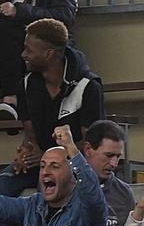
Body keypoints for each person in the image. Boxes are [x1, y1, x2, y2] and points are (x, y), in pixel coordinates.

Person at [9, 18, 104, 156]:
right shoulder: (25, 85)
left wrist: (51, 157)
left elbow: (91, 144)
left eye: (28, 50)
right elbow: (31, 137)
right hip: (43, 163)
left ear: (49, 54)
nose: (23, 54)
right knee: (6, 177)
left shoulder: (88, 87)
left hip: (77, 164)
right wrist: (26, 152)